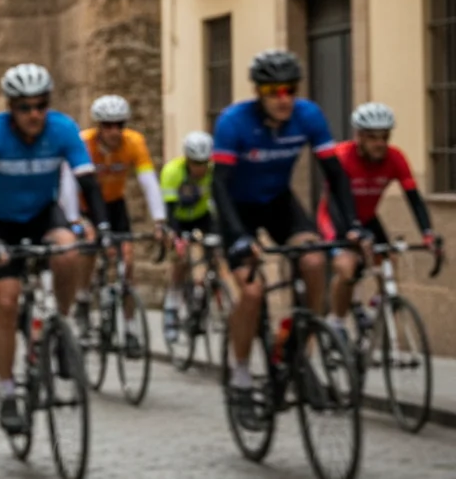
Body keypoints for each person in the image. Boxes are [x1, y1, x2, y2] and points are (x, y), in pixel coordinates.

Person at [212, 49, 366, 429]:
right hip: (237, 209)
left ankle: (298, 351)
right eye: (273, 91)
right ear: (259, 93)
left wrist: (351, 226)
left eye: (290, 90)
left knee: (314, 260)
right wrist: (237, 239)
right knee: (251, 292)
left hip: (279, 202)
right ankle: (242, 376)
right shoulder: (234, 122)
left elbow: (335, 174)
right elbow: (219, 186)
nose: (283, 98)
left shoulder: (308, 116)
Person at [0, 63, 111, 433]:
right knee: (6, 301)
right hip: (0, 223)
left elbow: (88, 181)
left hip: (42, 214)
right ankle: (7, 390)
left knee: (69, 250)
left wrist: (104, 225)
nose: (34, 114)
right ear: (11, 107)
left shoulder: (62, 128)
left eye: (40, 105)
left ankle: (62, 322)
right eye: (24, 107)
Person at [316, 102, 443, 341]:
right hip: (336, 217)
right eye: (373, 137)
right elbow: (335, 200)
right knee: (347, 267)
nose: (380, 144)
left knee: (389, 260)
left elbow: (414, 199)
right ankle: (337, 323)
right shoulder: (342, 156)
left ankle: (373, 312)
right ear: (359, 137)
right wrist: (352, 231)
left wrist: (427, 232)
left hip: (367, 216)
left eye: (384, 137)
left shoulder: (395, 158)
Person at [62, 94, 166, 356]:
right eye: (107, 126)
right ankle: (84, 300)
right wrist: (76, 220)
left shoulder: (134, 143)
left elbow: (148, 182)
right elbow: (68, 183)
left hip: (115, 205)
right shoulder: (83, 143)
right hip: (85, 204)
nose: (114, 131)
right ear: (98, 126)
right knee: (88, 251)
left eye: (119, 125)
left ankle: (130, 329)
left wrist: (159, 220)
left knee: (127, 264)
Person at [159, 130, 216, 343]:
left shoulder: (213, 171)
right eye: (195, 162)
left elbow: (218, 202)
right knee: (180, 259)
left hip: (202, 216)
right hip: (178, 218)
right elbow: (169, 209)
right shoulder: (172, 171)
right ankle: (171, 308)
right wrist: (176, 237)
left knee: (216, 251)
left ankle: (206, 294)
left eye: (203, 162)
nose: (199, 167)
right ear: (187, 158)